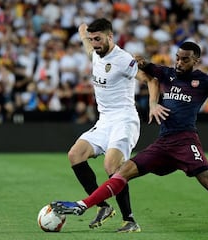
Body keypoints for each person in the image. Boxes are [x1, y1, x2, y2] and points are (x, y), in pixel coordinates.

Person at [51, 41, 208, 233]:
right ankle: (84, 205)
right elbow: (144, 71)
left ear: (196, 61)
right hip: (163, 143)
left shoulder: (204, 81)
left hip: (186, 141)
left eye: (185, 59)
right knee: (122, 172)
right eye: (177, 57)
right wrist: (146, 81)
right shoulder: (165, 73)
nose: (179, 62)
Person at [64, 18, 160, 233]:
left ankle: (130, 220)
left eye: (98, 39)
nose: (94, 44)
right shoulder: (95, 51)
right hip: (104, 120)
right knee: (75, 155)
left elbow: (152, 80)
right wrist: (83, 33)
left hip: (124, 120)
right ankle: (103, 207)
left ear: (110, 37)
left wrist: (153, 104)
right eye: (92, 40)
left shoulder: (123, 59)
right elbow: (87, 43)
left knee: (111, 166)